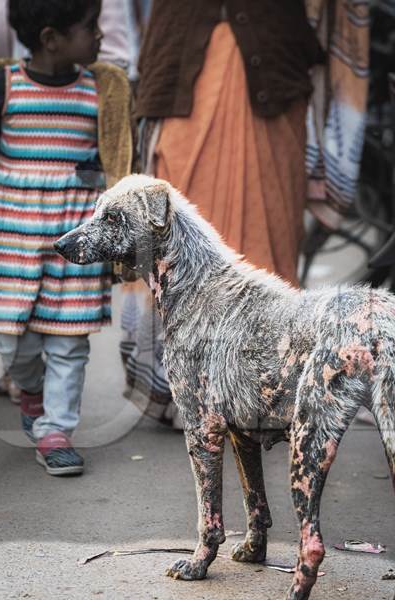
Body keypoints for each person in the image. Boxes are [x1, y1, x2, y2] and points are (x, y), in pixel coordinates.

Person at [120, 0, 324, 428]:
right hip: (181, 75)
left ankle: (262, 387)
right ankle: (190, 390)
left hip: (273, 68)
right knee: (179, 232)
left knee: (267, 227)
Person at [0, 0, 134, 475]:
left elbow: (115, 157)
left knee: (69, 342)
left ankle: (56, 431)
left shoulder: (99, 89)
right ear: (52, 38)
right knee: (16, 346)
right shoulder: (5, 84)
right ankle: (32, 394)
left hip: (74, 242)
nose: (99, 36)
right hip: (10, 240)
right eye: (89, 28)